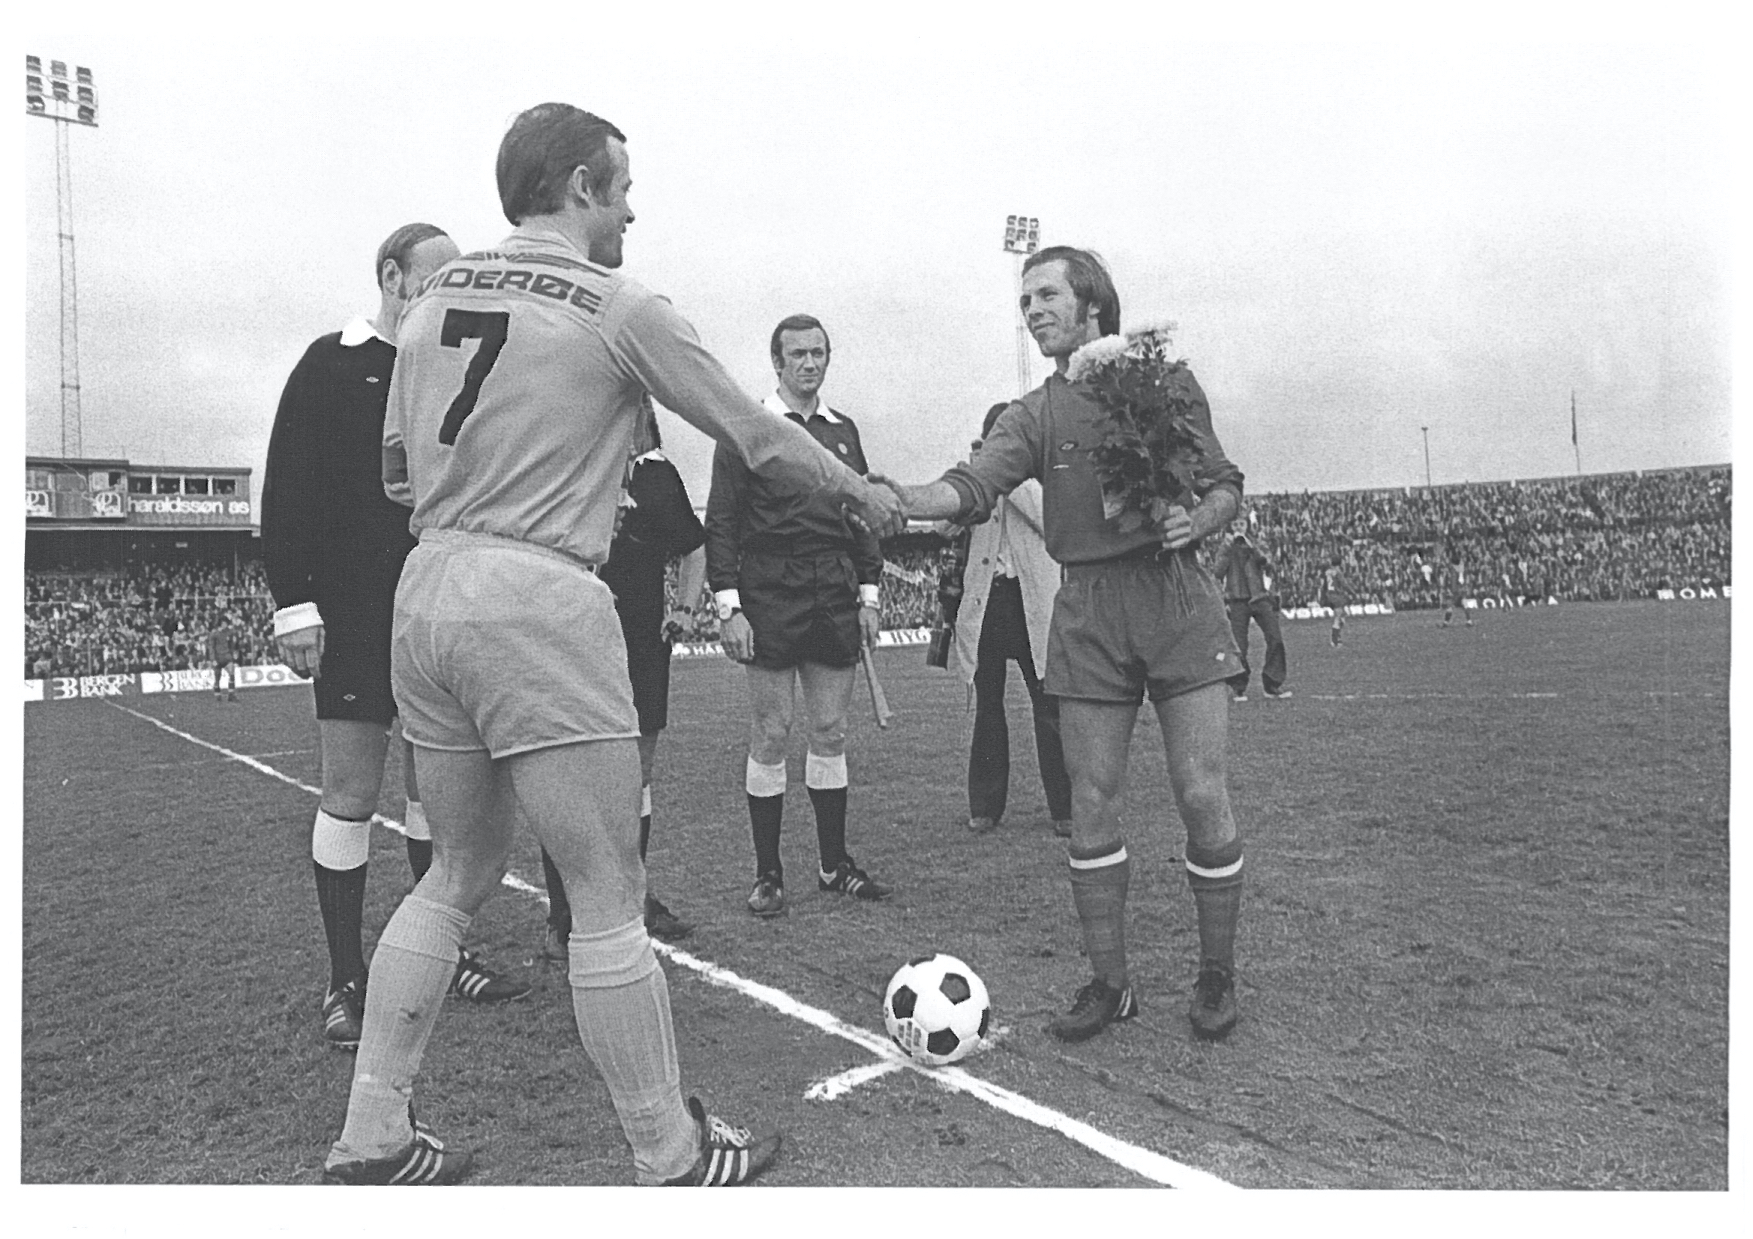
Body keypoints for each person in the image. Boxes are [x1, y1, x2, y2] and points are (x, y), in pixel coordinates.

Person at [323, 102, 903, 1186]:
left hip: (430, 583)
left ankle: (372, 1131)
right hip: (540, 593)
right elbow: (759, 436)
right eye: (622, 185)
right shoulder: (619, 302)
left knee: (453, 870)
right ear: (581, 185)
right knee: (604, 885)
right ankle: (668, 1149)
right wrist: (864, 494)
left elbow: (399, 471)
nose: (632, 205)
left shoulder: (434, 295)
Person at [873, 246, 1249, 1043]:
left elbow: (1225, 483)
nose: (1032, 309)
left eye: (1047, 294)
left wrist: (1198, 518)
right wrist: (900, 499)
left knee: (1200, 792)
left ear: (1092, 305)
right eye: (1025, 299)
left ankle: (1215, 971)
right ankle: (1109, 983)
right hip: (1087, 610)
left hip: (1175, 599)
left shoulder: (1165, 383)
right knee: (1089, 799)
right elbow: (972, 487)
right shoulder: (1036, 411)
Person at [262, 222, 530, 1056]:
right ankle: (344, 981)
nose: (446, 290)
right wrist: (294, 604)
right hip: (350, 611)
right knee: (350, 789)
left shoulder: (442, 368)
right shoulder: (329, 363)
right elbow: (288, 488)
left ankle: (439, 956)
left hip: (432, 606)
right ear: (390, 275)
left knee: (435, 791)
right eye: (433, 276)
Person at [705, 314, 894, 919]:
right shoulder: (749, 429)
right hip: (770, 588)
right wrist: (729, 606)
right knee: (771, 732)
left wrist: (868, 594)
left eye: (819, 353)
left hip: (833, 588)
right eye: (798, 355)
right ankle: (768, 873)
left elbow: (862, 514)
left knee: (831, 730)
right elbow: (724, 523)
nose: (809, 363)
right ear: (777, 362)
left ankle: (834, 865)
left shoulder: (844, 431)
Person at [540, 406, 706, 948]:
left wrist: (683, 608)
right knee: (570, 771)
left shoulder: (660, 476)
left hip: (642, 643)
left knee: (637, 774)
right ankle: (563, 915)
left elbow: (694, 546)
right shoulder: (568, 463)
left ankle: (633, 896)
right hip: (575, 637)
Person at [954, 401, 1072, 837]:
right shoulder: (976, 481)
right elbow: (951, 524)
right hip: (988, 600)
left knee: (1049, 705)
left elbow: (1051, 522)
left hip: (1033, 603)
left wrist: (1004, 475)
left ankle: (1066, 807)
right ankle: (984, 806)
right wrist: (977, 480)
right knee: (987, 707)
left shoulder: (1044, 478)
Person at [1214, 529, 1290, 699]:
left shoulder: (1255, 543)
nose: (1239, 528)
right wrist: (1227, 548)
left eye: (1242, 524)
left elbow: (1267, 564)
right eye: (1236, 524)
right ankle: (1237, 686)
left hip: (1259, 597)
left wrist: (1252, 546)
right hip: (1237, 599)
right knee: (1239, 645)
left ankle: (1272, 684)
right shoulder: (1226, 548)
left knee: (1275, 637)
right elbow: (1218, 572)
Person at [207, 617, 240, 701]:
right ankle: (217, 695)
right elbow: (211, 647)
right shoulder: (214, 634)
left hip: (227, 657)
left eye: (226, 623)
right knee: (217, 677)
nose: (225, 625)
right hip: (217, 658)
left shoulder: (229, 632)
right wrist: (213, 659)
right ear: (220, 623)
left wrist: (233, 653)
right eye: (223, 623)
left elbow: (232, 643)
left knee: (232, 674)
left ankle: (231, 694)